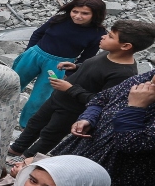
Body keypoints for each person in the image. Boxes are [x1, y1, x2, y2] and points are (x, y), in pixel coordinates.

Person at [10, 20, 151, 158]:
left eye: (110, 36)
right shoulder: (108, 53)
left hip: (72, 110)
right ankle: (17, 148)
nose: (103, 36)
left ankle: (27, 161)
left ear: (126, 46)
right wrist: (77, 67)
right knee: (35, 123)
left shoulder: (123, 74)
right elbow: (95, 69)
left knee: (49, 135)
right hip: (58, 97)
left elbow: (102, 101)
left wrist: (70, 88)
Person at [51, 69, 155, 186]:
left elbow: (129, 143)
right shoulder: (145, 77)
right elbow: (101, 98)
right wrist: (88, 118)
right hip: (83, 153)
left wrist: (136, 107)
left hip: (121, 184)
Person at [13, 0, 106, 127]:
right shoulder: (60, 19)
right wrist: (28, 52)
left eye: (85, 13)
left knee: (40, 98)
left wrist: (70, 72)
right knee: (13, 83)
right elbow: (37, 33)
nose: (78, 16)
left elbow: (87, 57)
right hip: (34, 55)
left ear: (96, 14)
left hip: (59, 66)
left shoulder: (97, 33)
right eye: (75, 11)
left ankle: (26, 126)